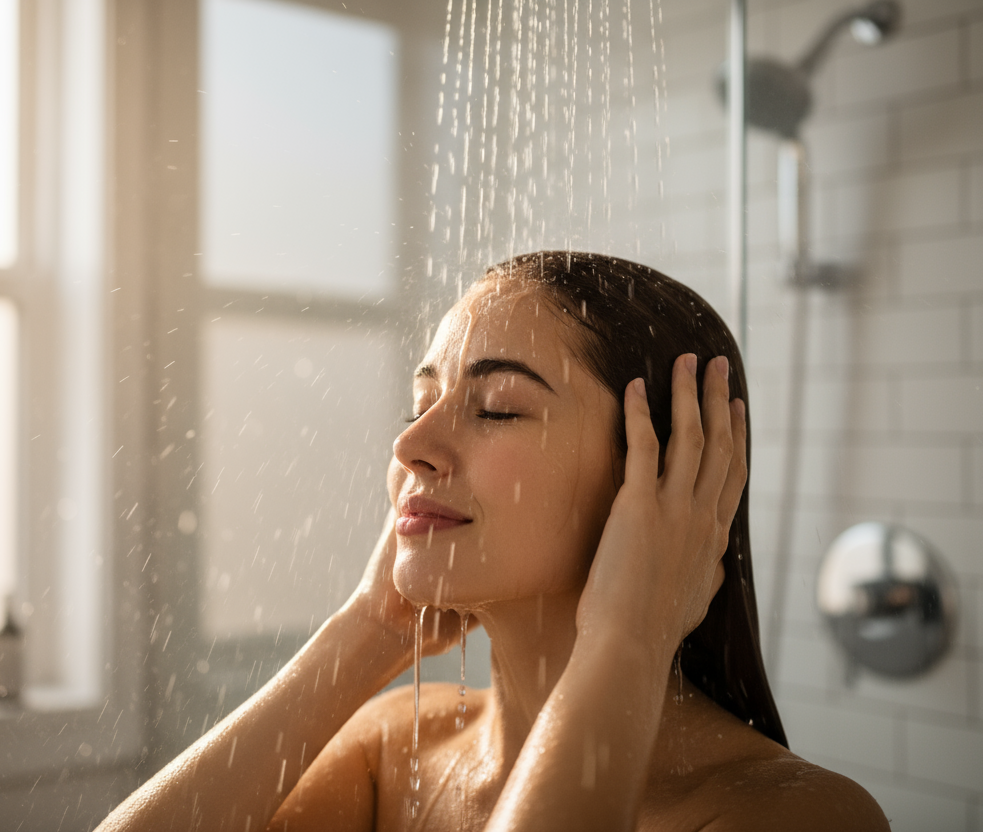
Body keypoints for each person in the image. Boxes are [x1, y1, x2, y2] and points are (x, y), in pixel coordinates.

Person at [97, 252, 887, 831]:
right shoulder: (397, 752)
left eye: (498, 407)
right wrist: (367, 629)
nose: (412, 446)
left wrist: (629, 638)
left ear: (665, 480)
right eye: (422, 403)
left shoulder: (796, 815)